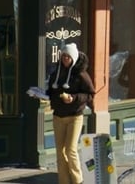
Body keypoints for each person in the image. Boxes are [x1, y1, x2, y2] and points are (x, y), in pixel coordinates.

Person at [47, 43, 94, 184]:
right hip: (58, 116)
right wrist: (44, 95)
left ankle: (78, 180)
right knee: (60, 152)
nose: (65, 59)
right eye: (63, 56)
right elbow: (51, 91)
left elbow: (90, 94)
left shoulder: (81, 74)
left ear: (73, 58)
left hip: (75, 116)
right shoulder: (56, 73)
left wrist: (74, 98)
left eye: (68, 57)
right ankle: (64, 181)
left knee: (70, 149)